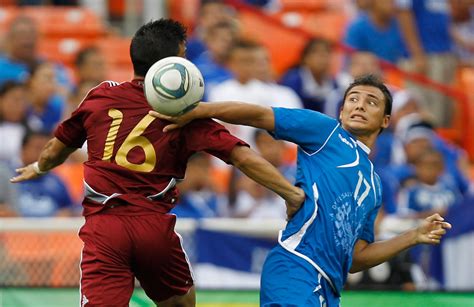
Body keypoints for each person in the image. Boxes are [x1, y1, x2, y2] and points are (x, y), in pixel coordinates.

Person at [10, 19, 304, 307]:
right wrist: (290, 193)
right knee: (181, 303)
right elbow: (243, 157)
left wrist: (38, 168)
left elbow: (55, 149)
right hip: (154, 228)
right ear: (174, 65)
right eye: (185, 56)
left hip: (105, 227)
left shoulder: (101, 96)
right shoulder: (185, 115)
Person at [150, 74, 452, 306]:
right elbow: (257, 115)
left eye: (371, 102)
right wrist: (202, 110)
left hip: (329, 289)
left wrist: (412, 236)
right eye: (353, 98)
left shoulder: (374, 186)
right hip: (296, 268)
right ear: (342, 108)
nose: (359, 105)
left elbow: (356, 257)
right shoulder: (326, 132)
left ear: (386, 120)